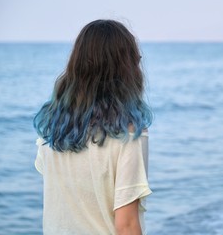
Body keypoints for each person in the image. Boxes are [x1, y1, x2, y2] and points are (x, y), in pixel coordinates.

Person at [33, 19, 153, 235]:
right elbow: (126, 226)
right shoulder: (130, 134)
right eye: (136, 60)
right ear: (125, 70)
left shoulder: (52, 129)